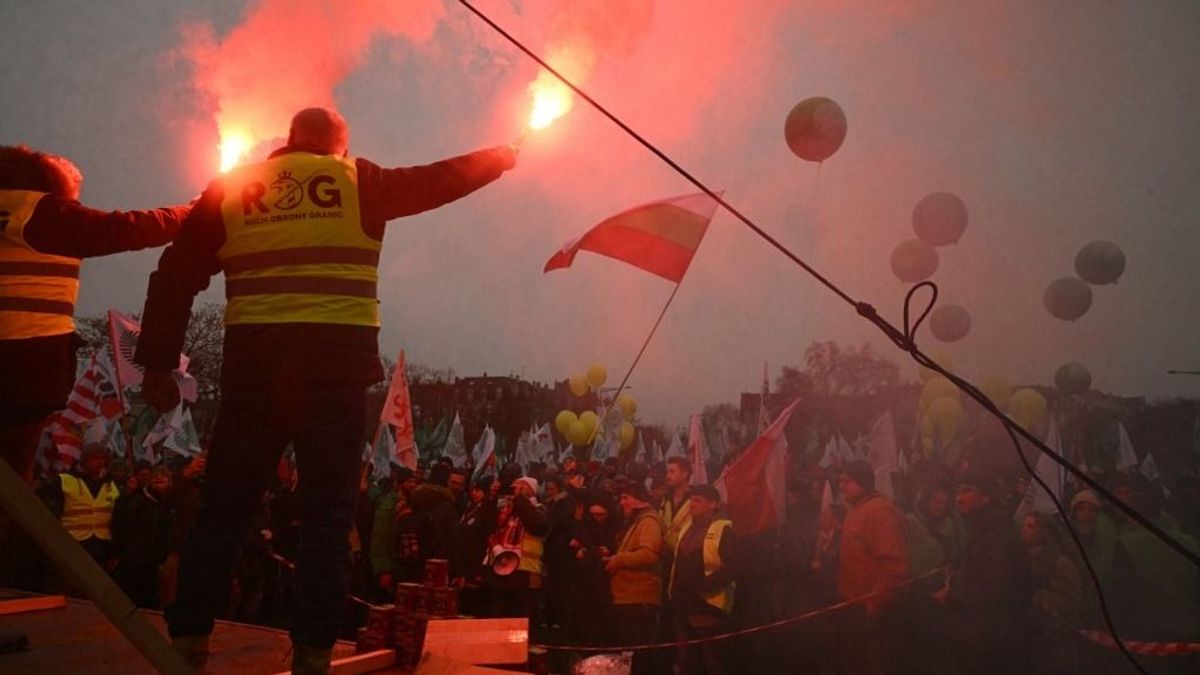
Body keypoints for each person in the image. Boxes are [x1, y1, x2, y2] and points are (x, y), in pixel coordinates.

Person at [134, 107, 517, 672]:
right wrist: (503, 156)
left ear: (288, 140)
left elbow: (175, 275)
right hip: (335, 381)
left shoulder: (231, 189)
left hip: (254, 376)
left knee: (221, 512)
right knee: (328, 520)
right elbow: (440, 180)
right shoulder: (359, 181)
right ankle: (313, 652)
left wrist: (160, 365)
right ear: (339, 146)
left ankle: (188, 640)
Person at [0, 145, 188, 482]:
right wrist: (192, 213)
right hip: (26, 368)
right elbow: (127, 228)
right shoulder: (42, 212)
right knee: (15, 477)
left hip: (25, 370)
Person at [933, 470, 1031, 675]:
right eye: (958, 491)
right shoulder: (980, 529)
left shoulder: (998, 535)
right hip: (976, 635)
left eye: (967, 491)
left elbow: (993, 589)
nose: (959, 498)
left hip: (987, 639)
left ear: (987, 496)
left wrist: (952, 592)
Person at [835, 460, 909, 675]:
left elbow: (894, 565)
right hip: (855, 604)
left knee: (875, 664)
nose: (841, 486)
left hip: (874, 610)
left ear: (862, 482)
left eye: (846, 481)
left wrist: (876, 602)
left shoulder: (879, 511)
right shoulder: (856, 509)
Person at [667, 484, 737, 675]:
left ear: (713, 504)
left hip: (707, 606)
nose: (691, 504)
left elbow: (733, 566)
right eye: (691, 499)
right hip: (683, 604)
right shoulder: (686, 527)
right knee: (686, 659)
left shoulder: (724, 529)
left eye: (697, 500)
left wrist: (704, 587)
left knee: (711, 660)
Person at [605, 482, 665, 675]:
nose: (621, 503)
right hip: (629, 597)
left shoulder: (648, 521)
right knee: (632, 654)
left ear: (638, 499)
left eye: (625, 498)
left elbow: (649, 554)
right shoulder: (637, 521)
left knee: (639, 655)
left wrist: (617, 559)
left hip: (639, 598)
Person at [40, 443, 121, 571]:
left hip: (102, 548)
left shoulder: (112, 484)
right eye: (95, 458)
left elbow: (118, 521)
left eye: (103, 458)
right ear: (84, 460)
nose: (100, 462)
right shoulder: (64, 480)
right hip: (72, 545)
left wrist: (115, 552)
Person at [112, 466, 175, 609]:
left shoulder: (172, 504)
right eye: (156, 475)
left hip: (160, 561)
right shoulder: (137, 501)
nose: (159, 477)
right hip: (137, 562)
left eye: (164, 475)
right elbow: (121, 524)